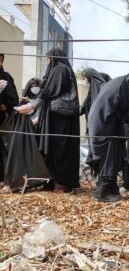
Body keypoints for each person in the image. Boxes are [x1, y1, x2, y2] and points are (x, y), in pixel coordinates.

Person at [15, 48, 80, 192]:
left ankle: (60, 182)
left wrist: (31, 106)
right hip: (60, 118)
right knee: (56, 148)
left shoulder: (60, 69)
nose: (47, 62)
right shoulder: (63, 69)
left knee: (58, 149)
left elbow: (49, 91)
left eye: (48, 58)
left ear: (53, 58)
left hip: (60, 119)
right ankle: (53, 180)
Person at [88, 66, 129, 202]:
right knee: (109, 157)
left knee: (117, 156)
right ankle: (102, 193)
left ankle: (111, 189)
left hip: (112, 126)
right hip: (104, 124)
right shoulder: (118, 86)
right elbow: (118, 110)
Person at [0, 53, 19, 184]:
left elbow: (14, 98)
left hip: (3, 120)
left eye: (0, 61)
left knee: (4, 148)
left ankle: (4, 178)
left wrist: (6, 105)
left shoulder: (6, 77)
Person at [79, 68, 107, 134]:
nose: (83, 81)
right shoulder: (91, 92)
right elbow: (83, 107)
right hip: (92, 127)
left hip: (100, 127)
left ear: (89, 78)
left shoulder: (102, 88)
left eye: (84, 79)